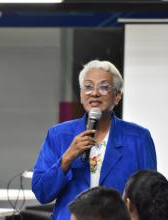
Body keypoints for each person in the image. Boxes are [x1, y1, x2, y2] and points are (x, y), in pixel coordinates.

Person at [32, 60, 157, 220]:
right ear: (82, 94)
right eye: (88, 87)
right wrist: (67, 158)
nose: (95, 93)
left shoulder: (138, 138)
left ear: (117, 96)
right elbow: (42, 193)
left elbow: (151, 198)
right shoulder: (58, 135)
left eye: (104, 87)